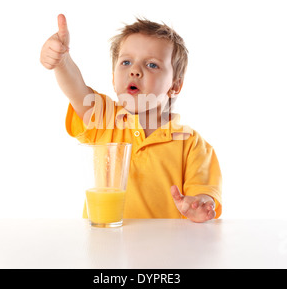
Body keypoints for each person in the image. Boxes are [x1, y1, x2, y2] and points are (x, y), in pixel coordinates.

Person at [40, 14, 222, 223]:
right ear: (113, 77)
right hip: (104, 244)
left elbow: (205, 193)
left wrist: (198, 204)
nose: (135, 71)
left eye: (152, 65)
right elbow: (76, 90)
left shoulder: (192, 144)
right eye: (126, 62)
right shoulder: (104, 118)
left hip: (165, 252)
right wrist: (62, 62)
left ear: (175, 86)